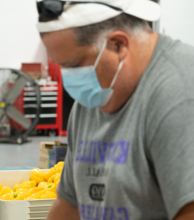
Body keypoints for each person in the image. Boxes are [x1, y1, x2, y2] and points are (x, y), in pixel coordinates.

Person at [36, 1, 194, 219]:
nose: (69, 78)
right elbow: (70, 205)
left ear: (118, 45)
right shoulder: (94, 96)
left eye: (73, 65)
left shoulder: (180, 93)